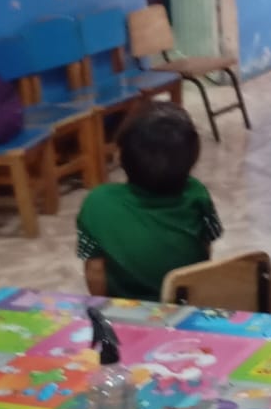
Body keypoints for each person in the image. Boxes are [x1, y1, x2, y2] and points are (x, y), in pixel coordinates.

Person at [76, 103, 222, 301]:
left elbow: (95, 269)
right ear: (193, 158)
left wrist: (106, 308)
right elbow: (206, 248)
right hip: (185, 305)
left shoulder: (97, 203)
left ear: (119, 155)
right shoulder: (197, 193)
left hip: (127, 310)